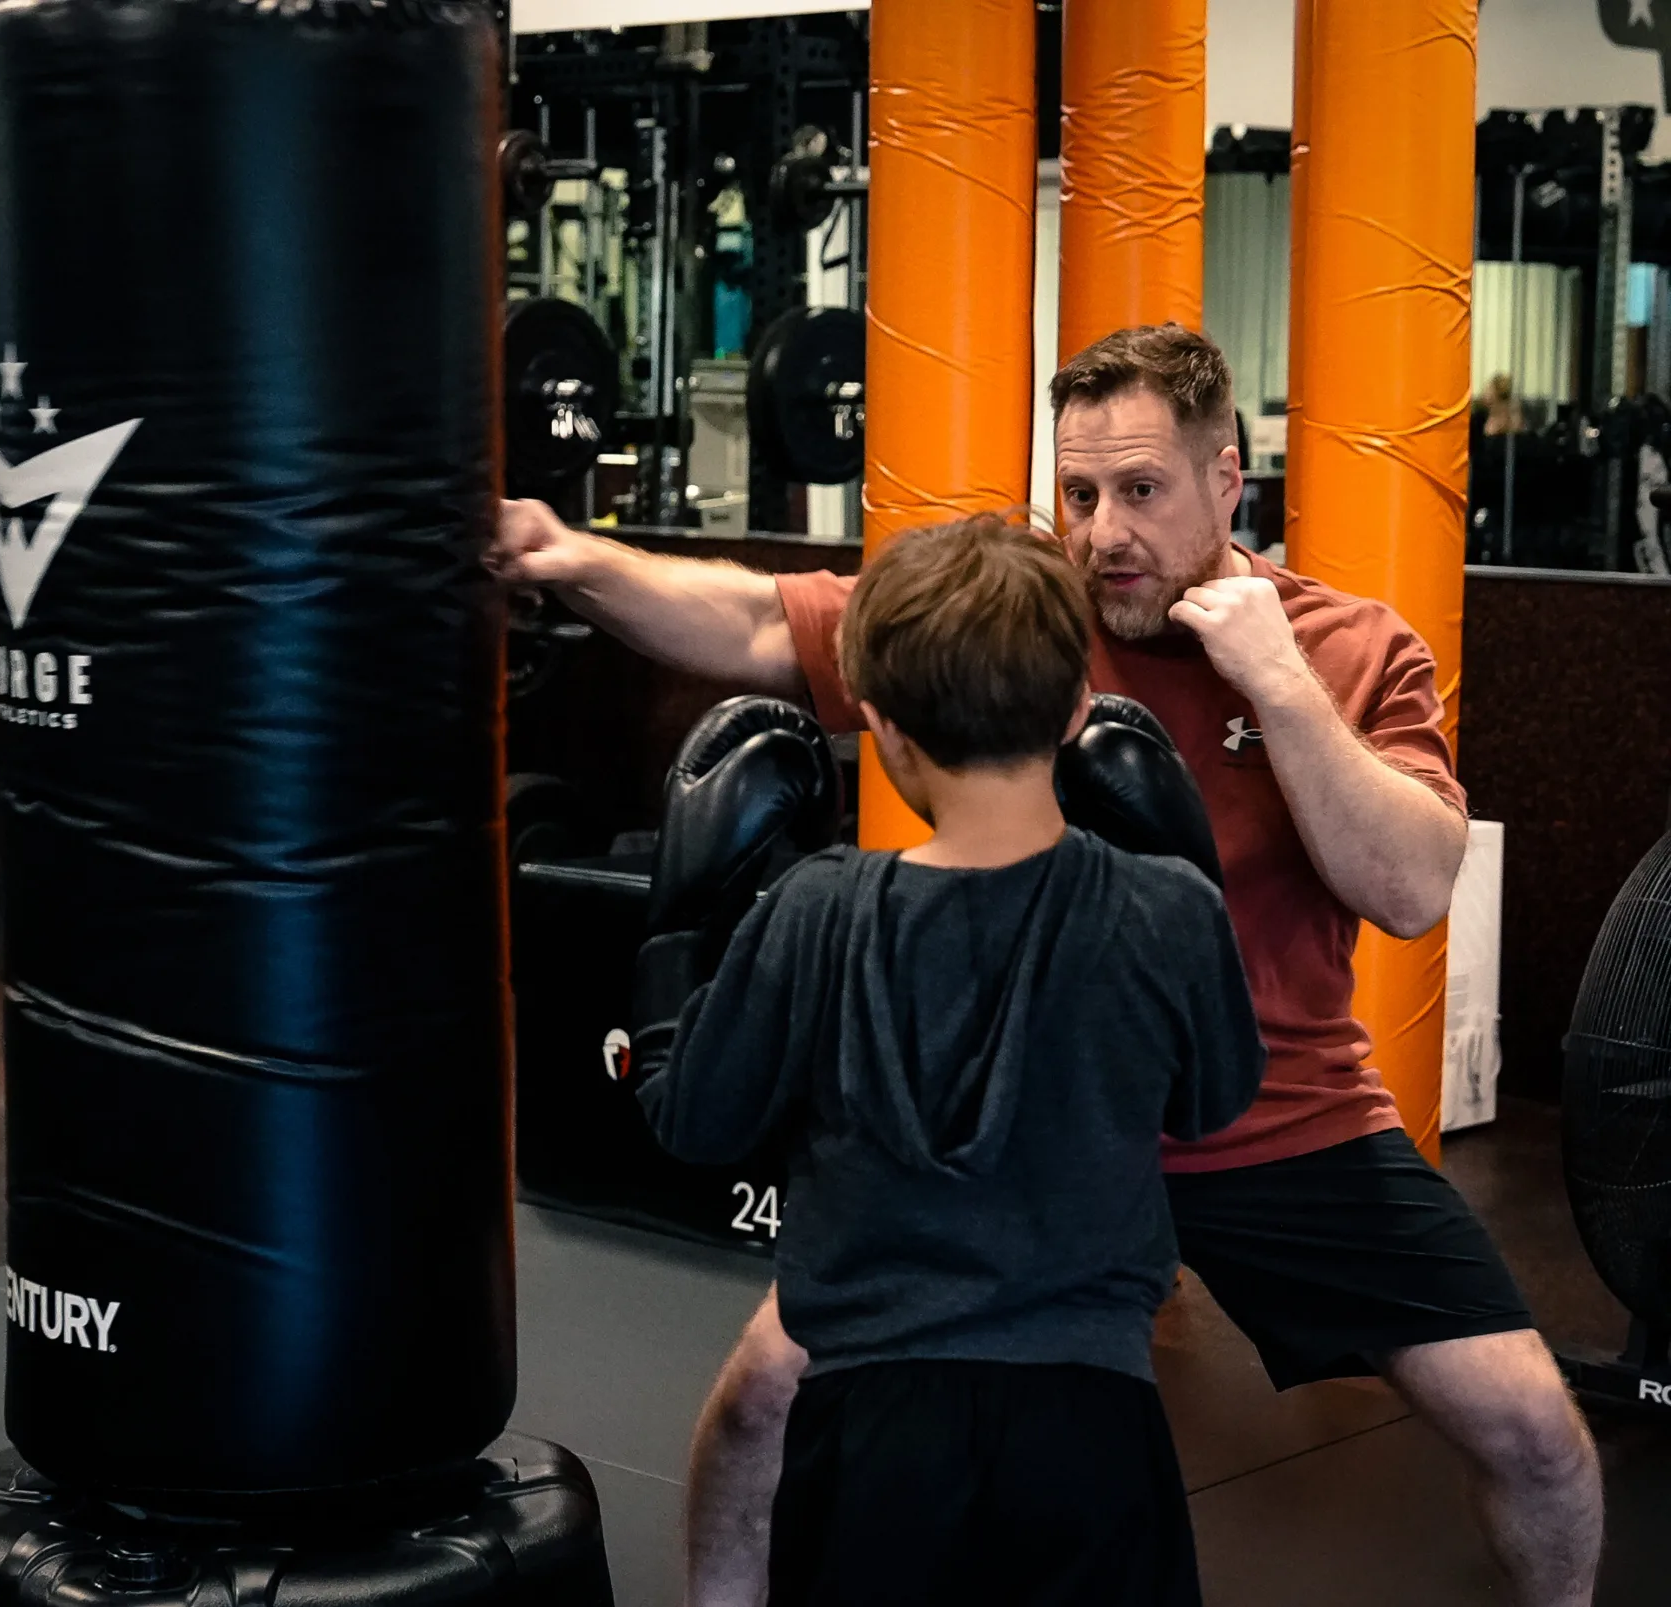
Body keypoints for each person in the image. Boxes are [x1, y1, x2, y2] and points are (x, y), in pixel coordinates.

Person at [489, 323, 1603, 1607]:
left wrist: (1278, 684)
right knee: (755, 1406)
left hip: (1275, 1113)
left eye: (1141, 491)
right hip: (1037, 1118)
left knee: (1538, 1435)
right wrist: (570, 557)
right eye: (1079, 493)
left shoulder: (1347, 646)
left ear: (1227, 480)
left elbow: (1410, 889)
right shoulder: (1019, 624)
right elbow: (754, 620)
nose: (1103, 530)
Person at [633, 514, 1266, 1605]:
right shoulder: (1164, 910)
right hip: (1097, 1433)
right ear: (1078, 707)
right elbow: (1218, 1099)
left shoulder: (817, 910)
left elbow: (690, 1117)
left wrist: (676, 939)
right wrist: (1192, 878)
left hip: (875, 1432)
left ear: (881, 727)